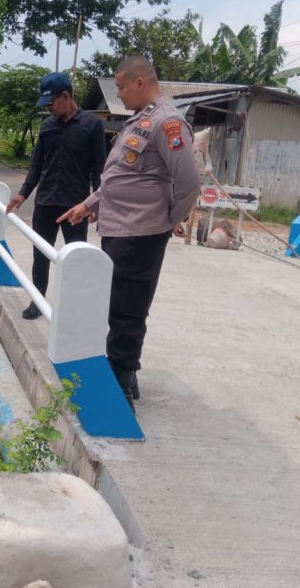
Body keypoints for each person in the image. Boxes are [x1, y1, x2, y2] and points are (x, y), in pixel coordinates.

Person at [58, 56, 201, 410]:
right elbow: (122, 174)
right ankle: (125, 373)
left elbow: (189, 183)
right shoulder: (142, 119)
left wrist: (167, 219)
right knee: (115, 303)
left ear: (140, 82)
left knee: (127, 309)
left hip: (141, 232)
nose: (118, 94)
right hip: (119, 228)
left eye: (121, 87)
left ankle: (119, 390)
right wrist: (90, 204)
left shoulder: (167, 123)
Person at [6, 71, 107, 320]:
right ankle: (37, 302)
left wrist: (96, 205)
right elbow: (37, 164)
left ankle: (72, 309)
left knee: (75, 259)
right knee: (40, 255)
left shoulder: (92, 126)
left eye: (51, 102)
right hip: (45, 203)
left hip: (76, 207)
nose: (49, 107)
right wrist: (23, 194)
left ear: (66, 95)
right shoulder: (47, 126)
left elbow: (99, 168)